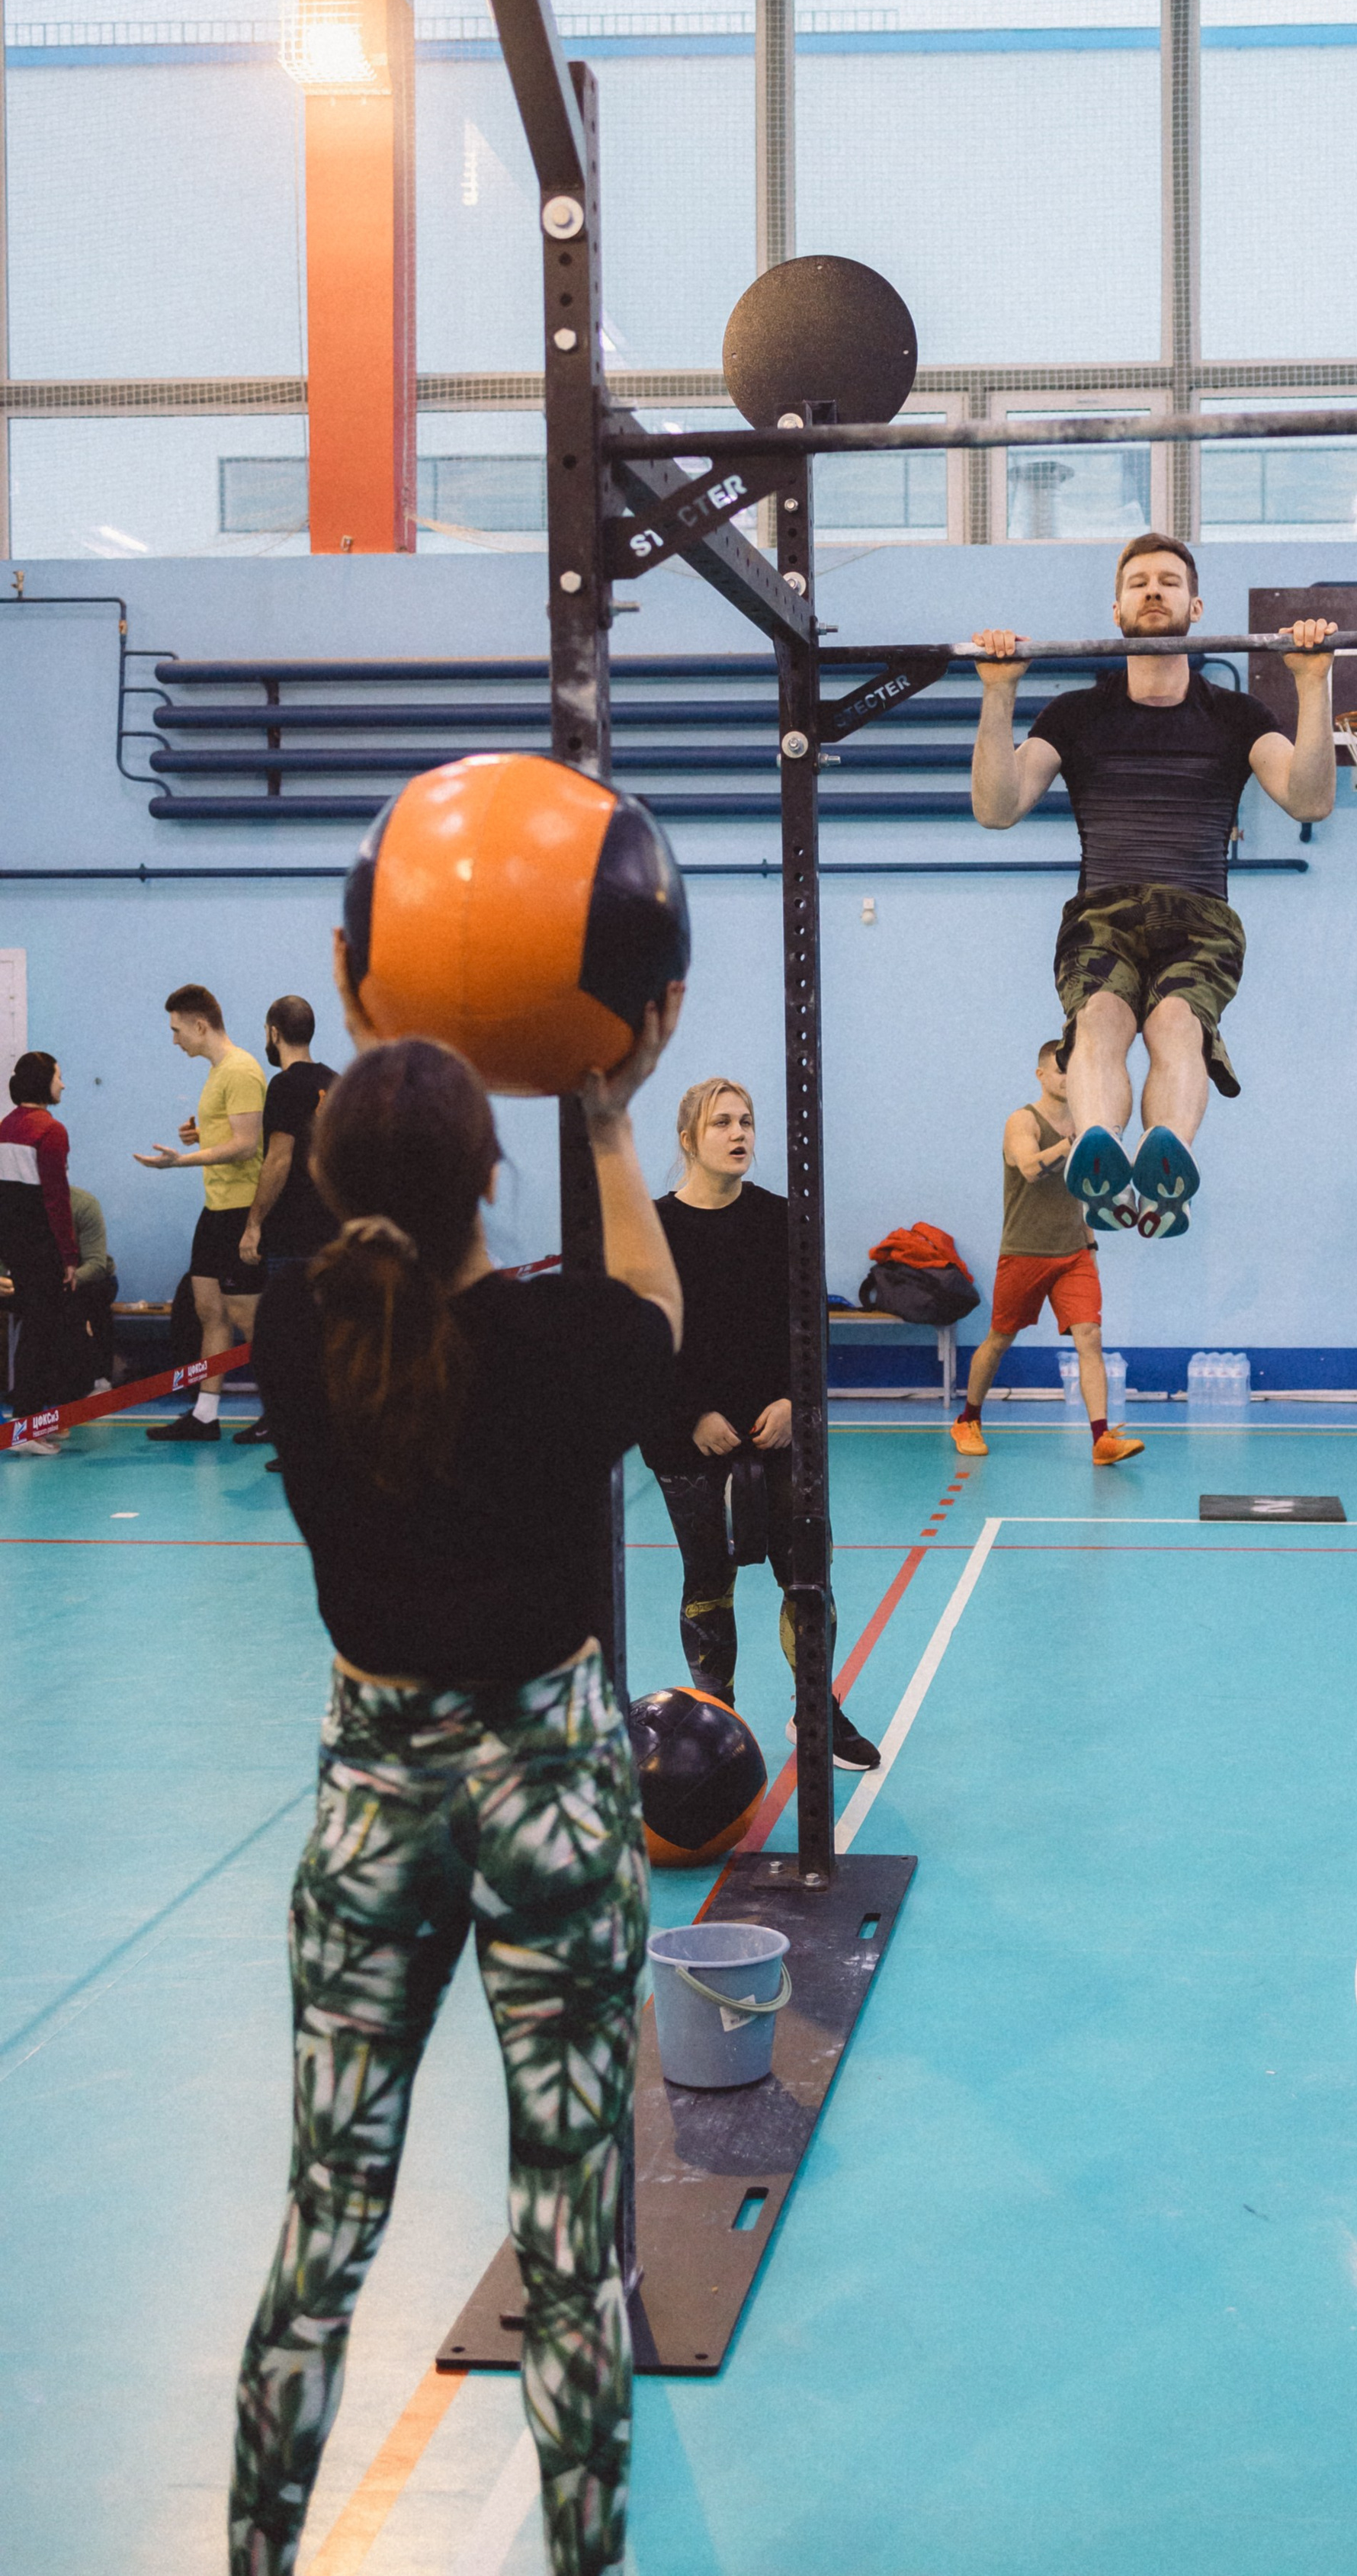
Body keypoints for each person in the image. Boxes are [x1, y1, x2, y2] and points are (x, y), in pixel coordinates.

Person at [229, 948, 686, 2576]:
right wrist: (614, 1124)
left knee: (323, 2230)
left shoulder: (295, 1330)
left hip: (373, 1801)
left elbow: (369, 1207)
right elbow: (657, 1314)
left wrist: (383, 1052)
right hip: (547, 1797)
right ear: (499, 1173)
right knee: (569, 2253)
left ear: (338, 1173)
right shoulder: (564, 1345)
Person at [970, 535, 1336, 1238]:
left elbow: (1310, 801)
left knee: (1176, 1025)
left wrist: (1312, 685)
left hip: (1201, 915)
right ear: (1116, 609)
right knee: (1103, 1017)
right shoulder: (1075, 713)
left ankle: (1168, 1174)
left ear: (1195, 607)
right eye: (1138, 582)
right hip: (1102, 913)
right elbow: (997, 808)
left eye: (1169, 581)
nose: (1153, 591)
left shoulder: (1236, 716)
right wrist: (1000, 695)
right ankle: (1100, 1149)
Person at [647, 1076, 881, 1771]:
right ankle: (714, 1716)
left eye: (746, 1121)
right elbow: (644, 1337)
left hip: (780, 1429)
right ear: (689, 1138)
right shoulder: (655, 1227)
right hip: (687, 1437)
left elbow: (810, 1323)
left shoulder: (784, 1218)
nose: (739, 1133)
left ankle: (818, 1709)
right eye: (722, 1123)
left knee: (806, 1574)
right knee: (707, 1579)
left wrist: (792, 1401)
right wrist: (691, 1416)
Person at [954, 1039, 1142, 1467]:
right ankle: (968, 1418)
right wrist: (1067, 1144)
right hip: (1023, 1252)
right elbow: (1029, 1168)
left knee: (1090, 1338)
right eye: (1060, 1071)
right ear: (1042, 1076)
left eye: (1073, 1071)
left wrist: (1091, 1243)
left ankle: (1101, 1439)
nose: (1068, 1078)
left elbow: (1086, 1192)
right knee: (999, 1340)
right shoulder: (1023, 1121)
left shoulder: (1085, 1123)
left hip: (1073, 1253)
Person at [133, 983, 266, 1441]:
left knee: (250, 1318)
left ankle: (283, 1414)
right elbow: (230, 1133)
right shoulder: (216, 1072)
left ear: (200, 1025)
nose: (174, 1041)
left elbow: (248, 1146)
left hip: (240, 1210)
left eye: (177, 1031)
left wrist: (180, 1161)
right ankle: (206, 1415)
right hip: (215, 1209)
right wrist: (201, 1135)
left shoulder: (243, 1070)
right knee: (208, 1310)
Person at [235, 993, 338, 1448]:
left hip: (294, 1233)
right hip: (333, 1231)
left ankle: (299, 1438)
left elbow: (278, 1160)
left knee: (292, 1341)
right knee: (327, 1337)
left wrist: (254, 1223)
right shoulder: (335, 1082)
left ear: (274, 1033)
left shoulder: (283, 1085)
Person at [0, 1050, 79, 1455]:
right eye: (59, 1076)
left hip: (15, 1249)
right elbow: (56, 1200)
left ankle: (37, 1419)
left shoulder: (4, 1128)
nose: (63, 1084)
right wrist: (69, 1257)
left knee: (38, 1330)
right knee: (40, 1335)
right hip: (43, 1249)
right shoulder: (51, 1131)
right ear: (42, 1082)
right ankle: (26, 1425)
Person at [64, 1183, 117, 1394]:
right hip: (37, 1280)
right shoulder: (15, 1204)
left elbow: (96, 1265)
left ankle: (100, 1377)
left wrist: (58, 1283)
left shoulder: (84, 1204)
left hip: (87, 1279)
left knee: (93, 1295)